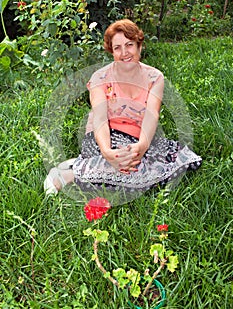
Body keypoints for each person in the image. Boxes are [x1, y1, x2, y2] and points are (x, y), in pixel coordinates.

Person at [44, 19, 202, 201]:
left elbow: (152, 115)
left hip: (138, 138)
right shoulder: (100, 78)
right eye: (117, 47)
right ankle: (66, 176)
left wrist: (142, 146)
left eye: (129, 45)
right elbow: (100, 119)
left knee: (181, 160)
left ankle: (80, 165)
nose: (124, 53)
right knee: (135, 173)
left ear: (139, 46)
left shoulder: (155, 77)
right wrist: (107, 153)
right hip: (103, 138)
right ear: (111, 51)